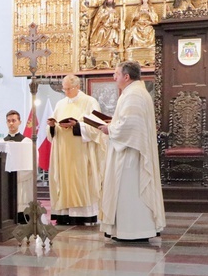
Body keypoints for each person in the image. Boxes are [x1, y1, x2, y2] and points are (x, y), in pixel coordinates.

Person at [99, 61, 165, 241]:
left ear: (126, 76)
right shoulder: (135, 92)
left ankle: (132, 231)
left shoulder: (134, 94)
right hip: (129, 150)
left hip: (131, 155)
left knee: (130, 191)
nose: (114, 77)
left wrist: (109, 129)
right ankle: (128, 229)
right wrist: (113, 124)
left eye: (116, 74)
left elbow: (131, 125)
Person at [47, 74, 107, 226]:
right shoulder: (60, 104)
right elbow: (51, 134)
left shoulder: (89, 102)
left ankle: (83, 215)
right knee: (62, 180)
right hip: (62, 152)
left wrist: (77, 125)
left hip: (81, 152)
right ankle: (64, 214)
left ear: (78, 87)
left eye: (69, 88)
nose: (66, 91)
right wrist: (52, 126)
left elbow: (97, 127)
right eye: (64, 88)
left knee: (81, 180)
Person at [5, 110, 31, 224]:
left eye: (14, 120)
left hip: (22, 179)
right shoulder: (2, 142)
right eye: (9, 121)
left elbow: (31, 163)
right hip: (7, 179)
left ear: (19, 122)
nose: (11, 123)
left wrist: (17, 176)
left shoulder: (27, 142)